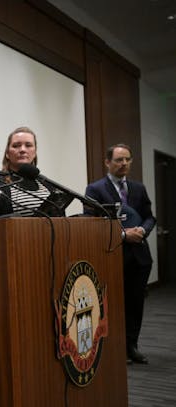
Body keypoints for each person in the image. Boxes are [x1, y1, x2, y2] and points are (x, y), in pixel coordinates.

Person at [85, 143, 156, 364]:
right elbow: (91, 222)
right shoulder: (95, 189)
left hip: (139, 257)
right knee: (113, 304)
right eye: (118, 160)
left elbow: (149, 217)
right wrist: (124, 235)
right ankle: (115, 348)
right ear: (107, 162)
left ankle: (131, 346)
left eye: (127, 159)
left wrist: (143, 230)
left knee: (136, 303)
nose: (123, 163)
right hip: (112, 255)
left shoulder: (138, 188)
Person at [0, 126, 60, 217]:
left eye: (28, 145)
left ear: (34, 152)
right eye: (16, 146)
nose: (22, 150)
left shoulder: (47, 185)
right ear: (7, 153)